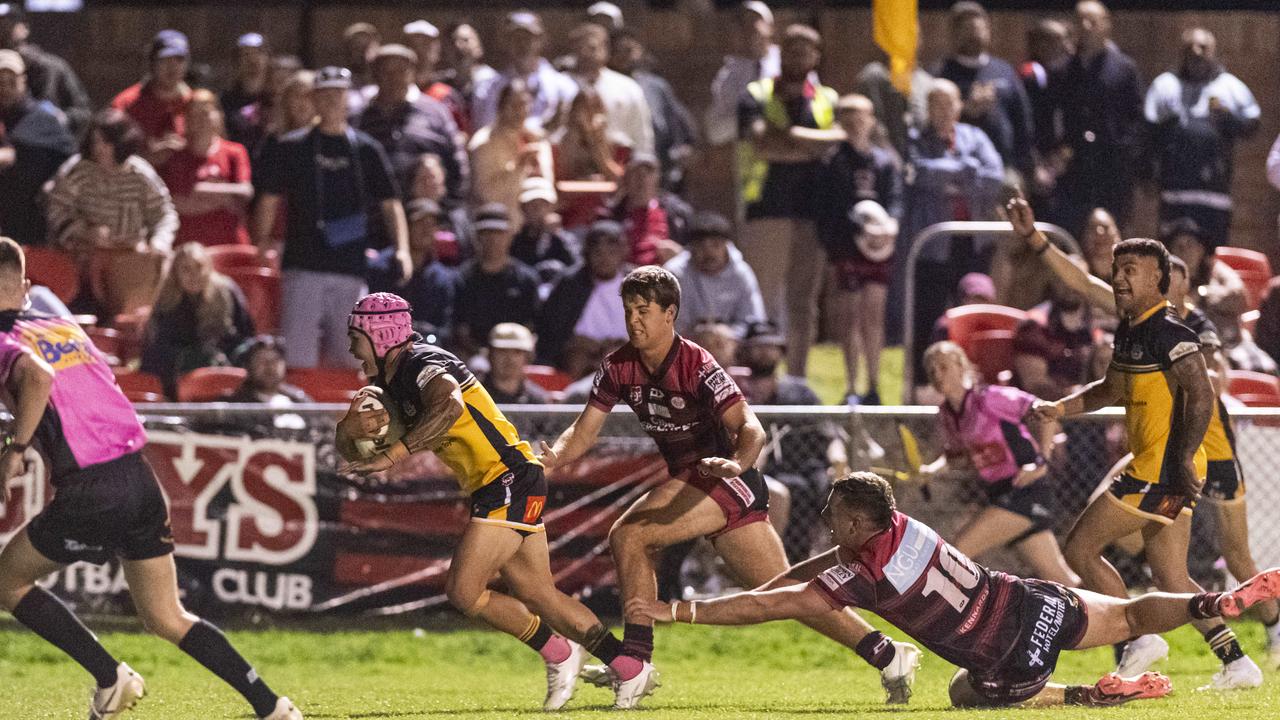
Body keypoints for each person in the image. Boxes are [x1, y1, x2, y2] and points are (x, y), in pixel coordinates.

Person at [539, 266, 921, 707]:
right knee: (784, 596)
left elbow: (750, 428)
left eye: (644, 310)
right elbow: (583, 434)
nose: (634, 321)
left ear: (670, 314)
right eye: (628, 311)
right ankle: (888, 654)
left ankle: (635, 662)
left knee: (630, 535)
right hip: (696, 485)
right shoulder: (618, 367)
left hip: (727, 481)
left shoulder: (697, 363)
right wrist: (555, 455)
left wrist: (736, 462)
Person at [626, 472, 1280, 709]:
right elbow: (800, 574)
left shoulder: (863, 576)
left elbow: (767, 607)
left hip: (1008, 659)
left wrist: (675, 610)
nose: (825, 519)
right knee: (1136, 611)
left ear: (857, 524)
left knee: (964, 694)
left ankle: (1086, 696)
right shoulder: (901, 524)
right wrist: (784, 575)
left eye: (833, 513)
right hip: (1037, 601)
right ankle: (1209, 604)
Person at [0, 238, 302, 720]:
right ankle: (273, 707)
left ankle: (110, 676)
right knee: (166, 616)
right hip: (139, 476)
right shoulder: (60, 324)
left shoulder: (5, 339)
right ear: (27, 287)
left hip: (92, 488)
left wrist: (16, 450)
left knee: (6, 580)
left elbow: (36, 379)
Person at [335, 292, 647, 710]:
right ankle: (627, 667)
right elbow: (355, 442)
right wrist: (350, 437)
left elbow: (449, 405)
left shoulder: (423, 363)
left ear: (380, 333)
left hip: (509, 478)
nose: (351, 346)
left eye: (356, 335)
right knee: (540, 595)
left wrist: (393, 455)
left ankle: (561, 651)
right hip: (502, 481)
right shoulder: (389, 380)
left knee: (464, 591)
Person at [1010, 197, 1280, 668]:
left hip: (1172, 464)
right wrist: (1060, 408)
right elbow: (1110, 386)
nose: (1118, 279)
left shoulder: (1178, 330)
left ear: (1167, 281)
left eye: (1130, 270)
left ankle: (1137, 638)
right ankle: (1236, 660)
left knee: (1082, 548)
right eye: (1119, 270)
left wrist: (1179, 456)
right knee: (1172, 577)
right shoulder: (1133, 328)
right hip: (1172, 463)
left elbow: (1205, 392)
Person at [251, 66, 411, 370]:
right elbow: (269, 198)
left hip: (349, 266)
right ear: (314, 99)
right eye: (325, 95)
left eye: (338, 94)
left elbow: (391, 202)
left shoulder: (366, 149)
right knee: (298, 357)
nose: (332, 102)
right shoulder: (292, 147)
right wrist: (262, 240)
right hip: (303, 263)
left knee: (354, 360)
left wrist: (401, 248)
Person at [917, 341, 1078, 587]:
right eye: (932, 371)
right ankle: (1113, 616)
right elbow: (960, 457)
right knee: (1063, 580)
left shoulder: (990, 398)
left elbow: (1046, 414)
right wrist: (931, 471)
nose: (937, 375)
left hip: (1024, 489)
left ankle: (959, 617)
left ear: (961, 367)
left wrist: (1040, 462)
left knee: (959, 550)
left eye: (943, 367)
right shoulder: (948, 415)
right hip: (1001, 492)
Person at [738, 24, 841, 378]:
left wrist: (792, 138)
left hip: (813, 211)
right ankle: (759, 380)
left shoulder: (827, 97)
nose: (797, 56)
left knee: (803, 303)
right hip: (768, 210)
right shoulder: (757, 94)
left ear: (817, 56)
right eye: (791, 49)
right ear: (780, 53)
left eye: (805, 50)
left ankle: (797, 381)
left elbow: (837, 141)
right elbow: (763, 145)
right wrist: (812, 147)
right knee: (761, 299)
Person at [898, 78, 1003, 379]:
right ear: (927, 109)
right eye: (935, 104)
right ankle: (922, 385)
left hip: (973, 243)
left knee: (973, 313)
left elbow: (994, 178)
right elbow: (919, 174)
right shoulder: (916, 140)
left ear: (959, 106)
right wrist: (964, 170)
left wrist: (946, 178)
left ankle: (975, 379)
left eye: (948, 103)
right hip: (932, 246)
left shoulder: (976, 137)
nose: (943, 111)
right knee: (928, 317)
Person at [815, 94, 902, 405]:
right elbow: (830, 206)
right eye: (847, 118)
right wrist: (858, 229)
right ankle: (852, 385)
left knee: (873, 313)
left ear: (871, 120)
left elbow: (894, 198)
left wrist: (889, 225)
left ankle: (875, 384)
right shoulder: (833, 161)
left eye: (860, 117)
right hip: (846, 246)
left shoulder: (883, 162)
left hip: (879, 246)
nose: (854, 124)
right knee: (849, 314)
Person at [46, 109, 177, 316]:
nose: (99, 148)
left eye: (105, 142)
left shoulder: (140, 175)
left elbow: (164, 214)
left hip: (128, 262)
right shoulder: (77, 171)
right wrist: (83, 231)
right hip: (83, 262)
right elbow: (56, 209)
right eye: (95, 141)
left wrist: (159, 242)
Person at [738, 321, 846, 561]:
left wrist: (839, 460)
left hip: (811, 467)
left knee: (826, 488)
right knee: (794, 489)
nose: (765, 351)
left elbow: (830, 433)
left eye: (771, 346)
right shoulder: (738, 393)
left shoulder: (800, 393)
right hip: (773, 471)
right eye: (759, 346)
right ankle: (789, 562)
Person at [1145, 27, 1259, 250]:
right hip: (1175, 195)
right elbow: (1148, 133)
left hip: (1214, 196)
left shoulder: (1230, 87)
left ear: (1213, 52)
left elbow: (1252, 125)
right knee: (1170, 258)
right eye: (1190, 48)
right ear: (1182, 53)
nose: (1196, 52)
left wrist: (1226, 118)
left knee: (1213, 257)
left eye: (1203, 48)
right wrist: (1148, 173)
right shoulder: (1165, 86)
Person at [1044, 1, 1143, 238]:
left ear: (1106, 26)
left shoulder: (1125, 69)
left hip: (1112, 168)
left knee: (1112, 233)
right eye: (1081, 21)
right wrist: (1055, 152)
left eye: (1093, 21)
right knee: (1072, 233)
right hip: (1073, 170)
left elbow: (1137, 118)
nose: (1086, 27)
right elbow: (1047, 118)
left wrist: (1125, 150)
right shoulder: (1060, 71)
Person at [355, 43, 468, 206]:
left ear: (412, 74)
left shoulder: (436, 112)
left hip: (427, 215)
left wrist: (447, 208)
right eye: (387, 71)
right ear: (375, 75)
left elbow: (458, 163)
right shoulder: (360, 117)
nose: (394, 78)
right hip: (375, 216)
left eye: (401, 70)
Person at [934, 2, 1034, 181]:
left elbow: (1023, 120)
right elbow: (930, 124)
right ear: (954, 34)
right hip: (956, 170)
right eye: (967, 30)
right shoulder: (940, 74)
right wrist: (966, 110)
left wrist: (1023, 167)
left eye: (978, 28)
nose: (974, 35)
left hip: (1004, 167)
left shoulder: (1004, 71)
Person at [140, 241, 255, 396]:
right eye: (186, 269)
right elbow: (158, 347)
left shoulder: (227, 292)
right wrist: (194, 357)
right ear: (176, 273)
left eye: (199, 267)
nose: (194, 275)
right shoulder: (166, 300)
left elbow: (246, 335)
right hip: (179, 369)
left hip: (225, 362)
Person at [0, 48, 75, 247]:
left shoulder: (43, 119)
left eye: (11, 81)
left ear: (23, 80)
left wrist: (20, 155)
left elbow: (69, 159)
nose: (5, 88)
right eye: (0, 82)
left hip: (36, 230)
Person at [535, 220, 628, 377]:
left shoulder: (637, 282)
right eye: (598, 253)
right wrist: (574, 341)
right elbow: (551, 330)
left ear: (622, 253)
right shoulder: (570, 283)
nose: (604, 259)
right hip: (578, 354)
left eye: (611, 252)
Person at [608, 27, 696, 192]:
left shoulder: (655, 87)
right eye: (618, 51)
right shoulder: (607, 86)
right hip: (618, 169)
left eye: (629, 50)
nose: (625, 57)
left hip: (657, 170)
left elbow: (678, 125)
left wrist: (681, 150)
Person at [161, 89, 253, 247]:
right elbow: (175, 204)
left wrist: (201, 189)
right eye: (194, 114)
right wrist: (225, 198)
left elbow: (245, 192)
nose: (201, 119)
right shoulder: (175, 157)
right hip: (189, 248)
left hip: (229, 244)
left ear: (218, 116)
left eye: (206, 112)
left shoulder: (234, 152)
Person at [367, 197, 459, 346]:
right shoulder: (380, 268)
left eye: (431, 225)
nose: (426, 230)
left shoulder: (441, 278)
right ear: (406, 227)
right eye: (419, 223)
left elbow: (444, 326)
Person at [453, 203, 539, 358]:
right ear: (477, 236)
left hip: (516, 354)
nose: (493, 239)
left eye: (499, 233)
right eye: (486, 233)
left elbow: (530, 326)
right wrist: (483, 354)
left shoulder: (526, 279)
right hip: (474, 356)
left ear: (510, 235)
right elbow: (461, 329)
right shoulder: (462, 279)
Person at [470, 11, 578, 132]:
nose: (522, 44)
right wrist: (542, 127)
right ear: (505, 42)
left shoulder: (564, 88)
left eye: (528, 38)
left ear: (541, 40)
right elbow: (485, 132)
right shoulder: (487, 89)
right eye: (516, 38)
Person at [664, 211, 765, 338]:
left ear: (725, 245)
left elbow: (754, 319)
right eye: (702, 246)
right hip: (688, 344)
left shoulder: (741, 273)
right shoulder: (675, 274)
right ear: (692, 248)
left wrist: (730, 335)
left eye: (715, 245)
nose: (709, 253)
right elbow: (670, 323)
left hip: (734, 344)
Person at [468, 78, 555, 226]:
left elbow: (548, 185)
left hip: (536, 228)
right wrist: (519, 166)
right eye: (513, 105)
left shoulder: (537, 139)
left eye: (523, 104)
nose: (519, 111)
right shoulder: (483, 143)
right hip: (502, 226)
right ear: (501, 107)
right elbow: (487, 195)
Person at [0, 3, 90, 139]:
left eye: (8, 24)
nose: (3, 30)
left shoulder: (52, 68)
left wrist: (60, 119)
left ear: (24, 28)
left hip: (46, 146)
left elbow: (84, 112)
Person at [112, 30, 192, 169]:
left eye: (179, 60)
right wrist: (148, 157)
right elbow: (109, 154)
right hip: (138, 185)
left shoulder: (196, 103)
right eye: (165, 60)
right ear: (152, 62)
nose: (172, 67)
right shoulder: (126, 103)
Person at [569, 23, 652, 157]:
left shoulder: (627, 87)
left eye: (592, 47)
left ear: (605, 49)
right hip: (572, 158)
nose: (586, 53)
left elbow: (642, 134)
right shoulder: (559, 85)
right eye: (580, 47)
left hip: (619, 159)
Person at [706, 1, 779, 148]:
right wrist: (749, 122)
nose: (751, 27)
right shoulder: (729, 75)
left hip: (784, 150)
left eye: (756, 20)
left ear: (771, 28)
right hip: (746, 153)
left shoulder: (786, 63)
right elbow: (716, 131)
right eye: (744, 23)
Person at [512, 177, 579, 287]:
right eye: (532, 204)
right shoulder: (515, 243)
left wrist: (556, 236)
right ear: (523, 208)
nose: (537, 210)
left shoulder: (565, 240)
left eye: (542, 204)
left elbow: (575, 268)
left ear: (551, 208)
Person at [438, 21, 497, 131]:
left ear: (479, 48)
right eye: (453, 41)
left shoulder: (493, 83)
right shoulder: (441, 85)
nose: (458, 46)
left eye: (465, 40)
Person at [225, 335, 312, 404]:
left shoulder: (299, 402)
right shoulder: (233, 404)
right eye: (261, 360)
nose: (269, 366)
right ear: (249, 366)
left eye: (275, 360)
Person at [484, 322, 549, 405]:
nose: (510, 358)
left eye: (517, 352)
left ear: (528, 357)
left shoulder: (537, 400)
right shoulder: (473, 394)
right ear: (490, 355)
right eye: (502, 351)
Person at [222, 33, 270, 122]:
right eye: (247, 55)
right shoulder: (227, 100)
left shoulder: (275, 98)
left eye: (258, 53)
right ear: (238, 61)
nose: (253, 61)